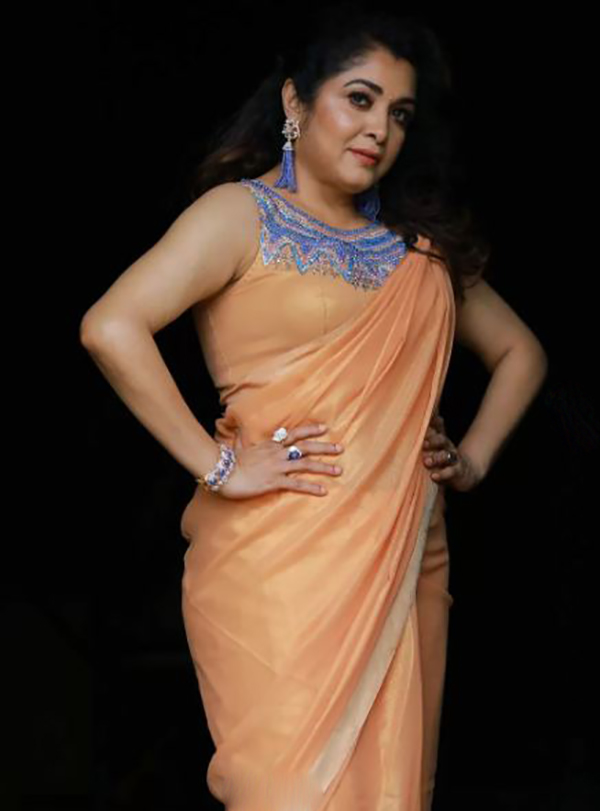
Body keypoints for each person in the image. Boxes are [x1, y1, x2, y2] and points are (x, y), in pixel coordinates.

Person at [80, 3, 548, 809]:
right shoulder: (239, 216)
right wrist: (218, 464)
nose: (379, 129)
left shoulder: (419, 245)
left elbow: (522, 353)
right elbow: (110, 326)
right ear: (296, 101)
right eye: (359, 99)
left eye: (399, 113)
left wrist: (471, 458)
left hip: (404, 557)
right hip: (276, 567)